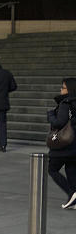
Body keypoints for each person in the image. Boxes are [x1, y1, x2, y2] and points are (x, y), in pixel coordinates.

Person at [47, 78, 76, 209]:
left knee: (52, 169)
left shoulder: (66, 103)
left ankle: (72, 193)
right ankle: (73, 198)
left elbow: (59, 123)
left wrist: (51, 115)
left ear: (69, 89)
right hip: (74, 143)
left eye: (63, 87)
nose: (61, 89)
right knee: (71, 169)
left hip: (63, 144)